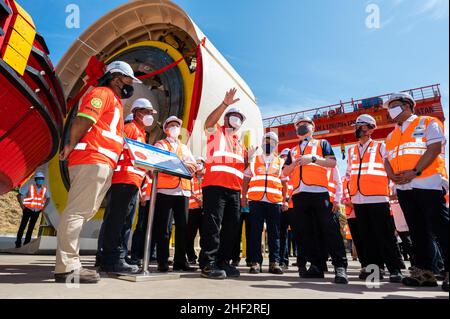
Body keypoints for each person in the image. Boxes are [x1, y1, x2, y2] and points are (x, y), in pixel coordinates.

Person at [55, 61, 140, 284]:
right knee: (77, 212)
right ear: (115, 77)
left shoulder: (115, 102)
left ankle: (69, 264)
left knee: (82, 212)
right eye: (128, 80)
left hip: (102, 163)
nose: (130, 85)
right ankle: (67, 267)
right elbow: (84, 120)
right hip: (92, 159)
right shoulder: (101, 93)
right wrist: (70, 144)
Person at [384, 93, 449, 291]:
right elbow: (387, 159)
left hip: (427, 181)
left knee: (441, 227)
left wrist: (415, 171)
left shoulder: (428, 122)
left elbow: (435, 148)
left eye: (394, 105)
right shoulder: (391, 135)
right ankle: (425, 273)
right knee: (418, 231)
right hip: (404, 187)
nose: (390, 110)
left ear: (407, 105)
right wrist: (393, 177)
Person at [283, 116, 348, 284]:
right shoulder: (292, 150)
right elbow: (284, 172)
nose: (301, 126)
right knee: (307, 232)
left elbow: (332, 163)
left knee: (329, 230)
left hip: (319, 192)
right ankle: (316, 266)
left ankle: (340, 266)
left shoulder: (322, 143)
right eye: (298, 125)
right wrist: (293, 165)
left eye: (305, 124)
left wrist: (312, 159)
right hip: (299, 195)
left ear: (312, 127)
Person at [96, 98, 157, 273]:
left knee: (125, 222)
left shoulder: (140, 132)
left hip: (132, 182)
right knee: (117, 220)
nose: (149, 117)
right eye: (146, 113)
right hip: (123, 180)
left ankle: (119, 254)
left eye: (151, 114)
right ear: (137, 112)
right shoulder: (130, 129)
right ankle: (111, 258)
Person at [346, 114, 404, 283]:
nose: (357, 129)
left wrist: (394, 189)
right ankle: (374, 270)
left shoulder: (381, 147)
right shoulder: (351, 150)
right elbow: (349, 174)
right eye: (356, 125)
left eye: (361, 125)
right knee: (367, 237)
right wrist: (349, 195)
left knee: (385, 235)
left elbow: (391, 169)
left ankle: (395, 269)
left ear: (370, 129)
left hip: (378, 197)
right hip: (358, 199)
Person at [199, 88, 250, 279]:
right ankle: (207, 263)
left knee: (232, 227)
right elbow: (209, 122)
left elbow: (241, 169)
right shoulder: (216, 132)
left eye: (239, 117)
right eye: (233, 115)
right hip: (215, 186)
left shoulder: (240, 143)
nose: (236, 119)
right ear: (227, 118)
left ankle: (222, 261)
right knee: (213, 225)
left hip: (234, 190)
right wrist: (225, 104)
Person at [153, 116, 198, 272]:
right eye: (171, 125)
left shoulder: (185, 147)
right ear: (165, 129)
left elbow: (193, 166)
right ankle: (162, 261)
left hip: (183, 192)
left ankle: (180, 261)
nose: (175, 128)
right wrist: (181, 163)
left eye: (177, 125)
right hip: (165, 190)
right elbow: (161, 161)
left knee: (182, 228)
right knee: (164, 228)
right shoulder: (160, 144)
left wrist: (178, 162)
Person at [242, 132, 288, 274]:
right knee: (255, 232)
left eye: (271, 141)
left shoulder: (280, 162)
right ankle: (255, 262)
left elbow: (284, 182)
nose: (267, 143)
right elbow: (246, 179)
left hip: (274, 201)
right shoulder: (254, 160)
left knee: (274, 233)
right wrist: (243, 196)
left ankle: (274, 262)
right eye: (265, 140)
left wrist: (285, 200)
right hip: (256, 201)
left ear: (276, 144)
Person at [16, 172, 50, 248]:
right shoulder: (30, 187)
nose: (40, 180)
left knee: (31, 228)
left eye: (42, 179)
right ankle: (18, 243)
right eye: (39, 179)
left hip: (37, 211)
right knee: (22, 227)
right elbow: (19, 195)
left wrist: (43, 208)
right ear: (35, 180)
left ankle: (26, 244)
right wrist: (22, 207)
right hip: (28, 209)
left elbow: (48, 198)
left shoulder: (44, 189)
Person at [341, 175, 367, 270]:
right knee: (357, 241)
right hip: (351, 215)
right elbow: (342, 197)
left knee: (366, 240)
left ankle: (373, 264)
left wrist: (357, 205)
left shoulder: (361, 176)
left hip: (363, 213)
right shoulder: (344, 180)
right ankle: (364, 264)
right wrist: (348, 203)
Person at [186, 157, 206, 265]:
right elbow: (188, 190)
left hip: (204, 210)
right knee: (190, 235)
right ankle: (191, 257)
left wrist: (204, 198)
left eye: (200, 163)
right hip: (192, 210)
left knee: (205, 235)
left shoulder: (208, 177)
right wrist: (196, 198)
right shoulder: (190, 177)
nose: (198, 165)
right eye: (196, 163)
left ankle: (203, 258)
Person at [279, 148, 293, 270]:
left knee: (299, 235)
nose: (284, 159)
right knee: (282, 234)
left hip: (294, 205)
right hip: (283, 204)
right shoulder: (279, 171)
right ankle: (283, 260)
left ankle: (302, 261)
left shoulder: (295, 169)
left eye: (286, 157)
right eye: (282, 157)